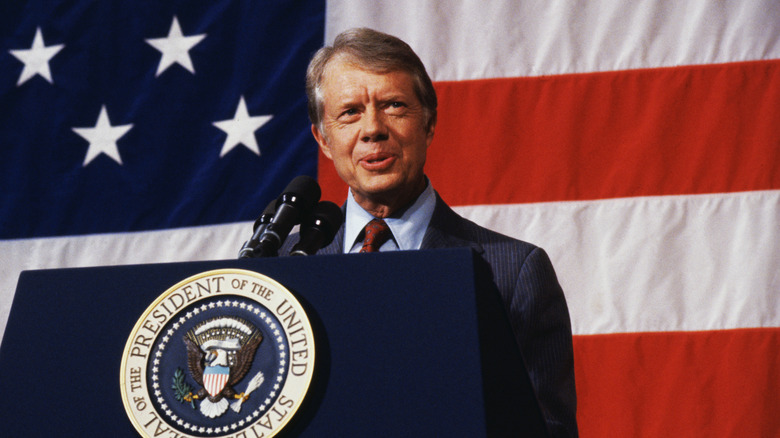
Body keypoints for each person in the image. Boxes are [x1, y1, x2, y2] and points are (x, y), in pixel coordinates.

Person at [280, 27, 577, 437]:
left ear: (429, 124)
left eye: (394, 106)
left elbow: (546, 430)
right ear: (323, 139)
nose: (373, 129)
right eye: (349, 112)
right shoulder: (283, 268)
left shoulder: (514, 271)